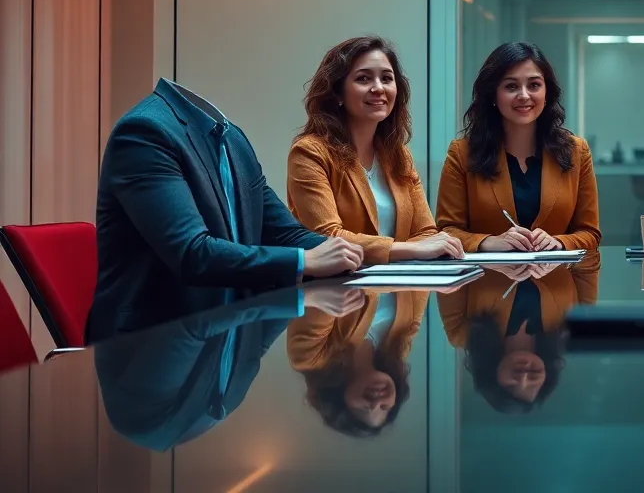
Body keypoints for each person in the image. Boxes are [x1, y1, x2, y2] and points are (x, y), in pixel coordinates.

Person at [88, 79, 364, 343]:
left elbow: (285, 234)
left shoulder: (231, 138)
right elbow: (191, 253)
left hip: (227, 334)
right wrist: (304, 261)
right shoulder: (145, 133)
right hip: (149, 348)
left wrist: (350, 256)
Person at [96, 286, 365, 451]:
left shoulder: (153, 417)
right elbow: (265, 329)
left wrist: (299, 296)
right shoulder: (231, 396)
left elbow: (192, 327)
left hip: (161, 315)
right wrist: (299, 294)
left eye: (365, 409)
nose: (375, 403)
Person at [288, 36, 463, 264]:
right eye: (363, 78)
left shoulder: (398, 155)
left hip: (402, 289)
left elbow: (427, 232)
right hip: (336, 291)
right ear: (337, 93)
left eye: (387, 79)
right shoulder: (309, 153)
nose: (379, 88)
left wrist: (417, 248)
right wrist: (412, 250)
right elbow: (327, 238)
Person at [435, 42, 601, 253]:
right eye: (511, 86)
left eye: (534, 85)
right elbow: (447, 231)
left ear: (546, 92)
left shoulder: (577, 152)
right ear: (493, 95)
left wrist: (559, 242)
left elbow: (590, 233)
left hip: (557, 281)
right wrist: (489, 242)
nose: (524, 95)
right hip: (487, 283)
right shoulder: (462, 153)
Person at [440, 252, 599, 412]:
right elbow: (590, 261)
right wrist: (560, 246)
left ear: (492, 379)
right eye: (533, 381)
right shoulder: (573, 329)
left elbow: (447, 263)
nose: (523, 378)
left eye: (511, 386)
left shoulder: (461, 333)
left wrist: (491, 251)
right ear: (547, 378)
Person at [287, 289, 430, 437]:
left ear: (339, 403)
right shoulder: (398, 349)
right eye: (384, 407)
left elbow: (332, 282)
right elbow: (421, 275)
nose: (375, 404)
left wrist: (391, 279)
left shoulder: (308, 358)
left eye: (364, 409)